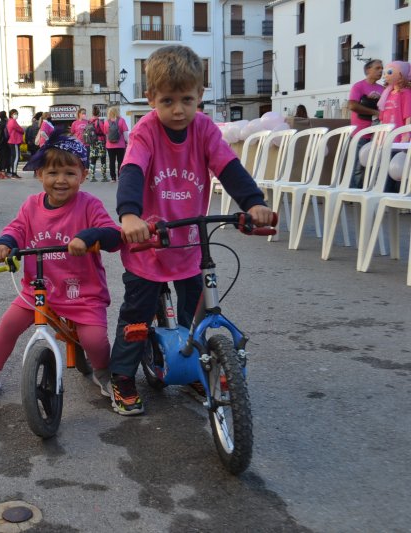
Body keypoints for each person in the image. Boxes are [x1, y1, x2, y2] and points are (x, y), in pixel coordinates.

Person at [110, 45, 273, 416]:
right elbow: (132, 172)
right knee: (136, 317)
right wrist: (129, 216)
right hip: (148, 243)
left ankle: (191, 365)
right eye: (167, 100)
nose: (179, 109)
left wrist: (253, 203)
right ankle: (122, 378)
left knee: (194, 314)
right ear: (151, 98)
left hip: (190, 244)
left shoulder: (204, 130)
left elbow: (228, 167)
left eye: (187, 99)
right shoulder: (145, 133)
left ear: (201, 95)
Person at [0, 132, 121, 401]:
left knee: (94, 341)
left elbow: (113, 235)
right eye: (53, 172)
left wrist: (88, 237)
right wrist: (4, 244)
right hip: (38, 289)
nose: (61, 180)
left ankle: (103, 371)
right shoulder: (31, 206)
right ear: (40, 174)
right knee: (7, 326)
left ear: (83, 175)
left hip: (82, 292)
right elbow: (16, 228)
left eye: (70, 173)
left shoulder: (89, 206)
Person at [348, 59, 384, 188]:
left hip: (377, 134)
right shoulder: (359, 86)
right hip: (360, 133)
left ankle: (364, 192)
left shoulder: (383, 89)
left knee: (373, 165)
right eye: (377, 68)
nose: (381, 70)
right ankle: (352, 194)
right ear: (368, 70)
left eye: (381, 68)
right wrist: (374, 112)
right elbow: (352, 105)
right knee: (358, 167)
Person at [377, 60, 411, 193]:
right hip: (387, 138)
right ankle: (385, 195)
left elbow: (408, 115)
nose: (385, 75)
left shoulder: (406, 94)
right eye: (384, 73)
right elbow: (382, 117)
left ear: (401, 74)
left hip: (400, 138)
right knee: (386, 167)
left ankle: (403, 196)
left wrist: (406, 135)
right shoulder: (387, 93)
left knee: (401, 168)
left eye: (389, 72)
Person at [102, 106, 129, 182]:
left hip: (110, 146)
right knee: (120, 161)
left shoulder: (106, 122)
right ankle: (120, 177)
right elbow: (125, 134)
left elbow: (106, 134)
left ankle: (113, 178)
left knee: (111, 161)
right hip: (120, 145)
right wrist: (128, 142)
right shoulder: (122, 121)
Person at [88, 106, 108, 182]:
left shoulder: (89, 121)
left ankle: (92, 176)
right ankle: (104, 176)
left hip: (92, 142)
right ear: (99, 114)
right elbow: (104, 132)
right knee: (103, 159)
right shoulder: (99, 122)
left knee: (93, 160)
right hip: (100, 141)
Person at [6, 108, 25, 179]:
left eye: (17, 114)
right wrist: (22, 130)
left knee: (13, 157)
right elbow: (21, 129)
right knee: (16, 157)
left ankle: (13, 172)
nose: (16, 115)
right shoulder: (13, 121)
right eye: (15, 114)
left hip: (12, 141)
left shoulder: (9, 121)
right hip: (15, 141)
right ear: (11, 115)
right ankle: (14, 173)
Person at [0, 111, 10, 179]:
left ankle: (0, 171)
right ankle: (4, 172)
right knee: (5, 157)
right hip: (4, 142)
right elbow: (7, 134)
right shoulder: (6, 123)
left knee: (1, 156)